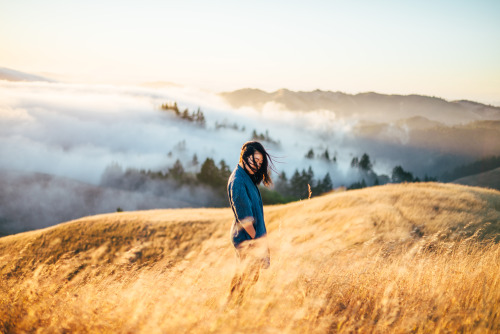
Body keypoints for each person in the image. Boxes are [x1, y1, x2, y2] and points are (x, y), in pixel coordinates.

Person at [226, 141, 274, 304]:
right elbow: (245, 220)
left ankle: (232, 309)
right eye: (256, 160)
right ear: (245, 156)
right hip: (247, 240)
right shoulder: (238, 181)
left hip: (252, 238)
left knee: (248, 278)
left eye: (260, 163)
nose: (258, 165)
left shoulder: (247, 177)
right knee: (245, 279)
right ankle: (230, 310)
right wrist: (259, 243)